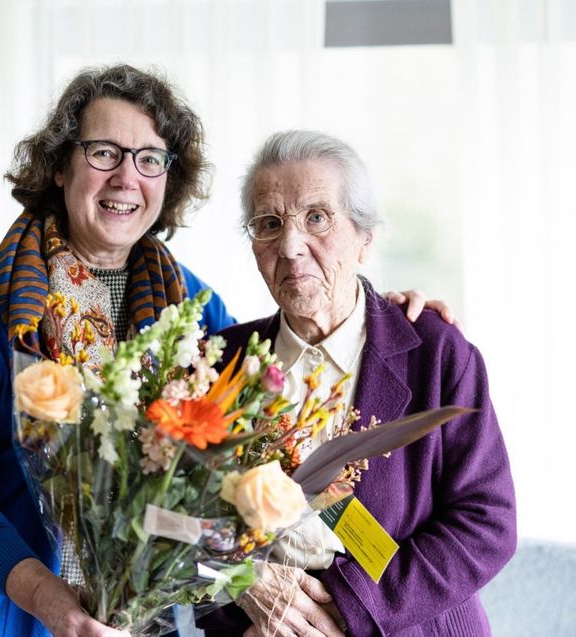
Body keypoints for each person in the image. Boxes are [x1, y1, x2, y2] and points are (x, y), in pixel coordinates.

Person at [0, 66, 457, 637]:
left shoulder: (195, 310)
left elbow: (259, 426)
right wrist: (47, 597)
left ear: (170, 177)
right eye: (102, 152)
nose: (125, 177)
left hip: (132, 616)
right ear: (61, 163)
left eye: (149, 159)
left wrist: (379, 311)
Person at [197, 130, 517, 637]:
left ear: (365, 239)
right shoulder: (219, 365)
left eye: (317, 218)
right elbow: (173, 529)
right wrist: (242, 586)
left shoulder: (435, 353)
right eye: (269, 224)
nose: (291, 245)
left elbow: (487, 524)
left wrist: (347, 610)